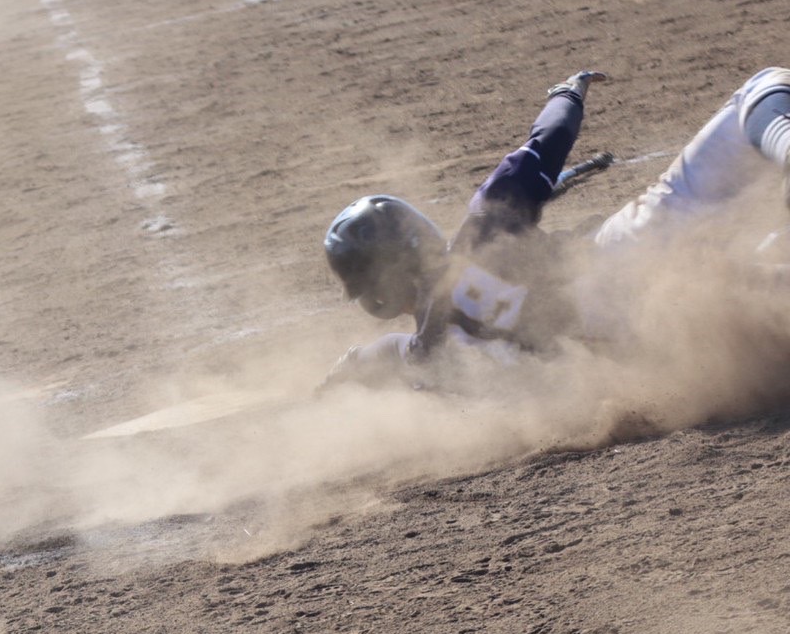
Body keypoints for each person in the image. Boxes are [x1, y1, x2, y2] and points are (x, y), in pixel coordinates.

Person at [321, 67, 790, 392]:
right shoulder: (482, 232)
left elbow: (390, 353)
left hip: (648, 357)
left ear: (374, 298)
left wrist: (347, 370)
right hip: (630, 262)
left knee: (763, 292)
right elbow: (547, 141)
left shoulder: (432, 355)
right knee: (762, 88)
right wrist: (568, 92)